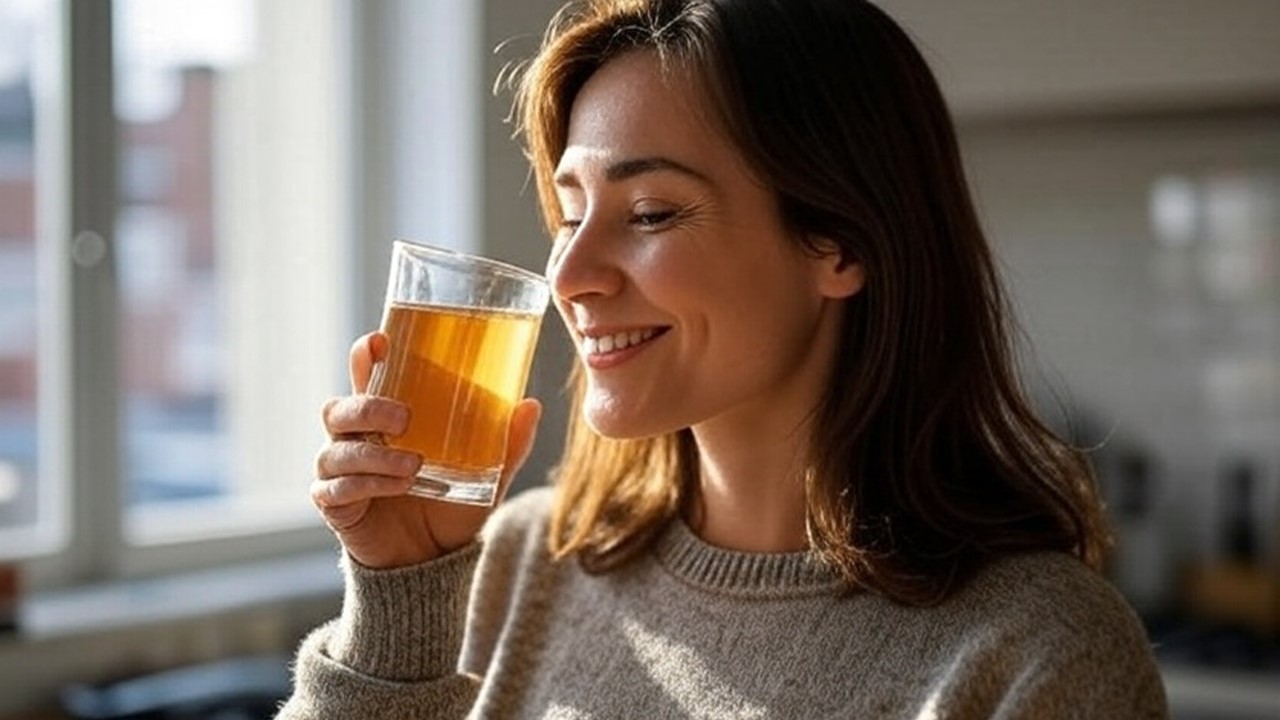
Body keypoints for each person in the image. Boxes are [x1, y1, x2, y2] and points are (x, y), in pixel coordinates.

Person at [278, 0, 1170, 717]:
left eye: (652, 213)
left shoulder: (1035, 654)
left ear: (841, 246)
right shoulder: (521, 563)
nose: (571, 275)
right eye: (572, 210)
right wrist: (394, 606)